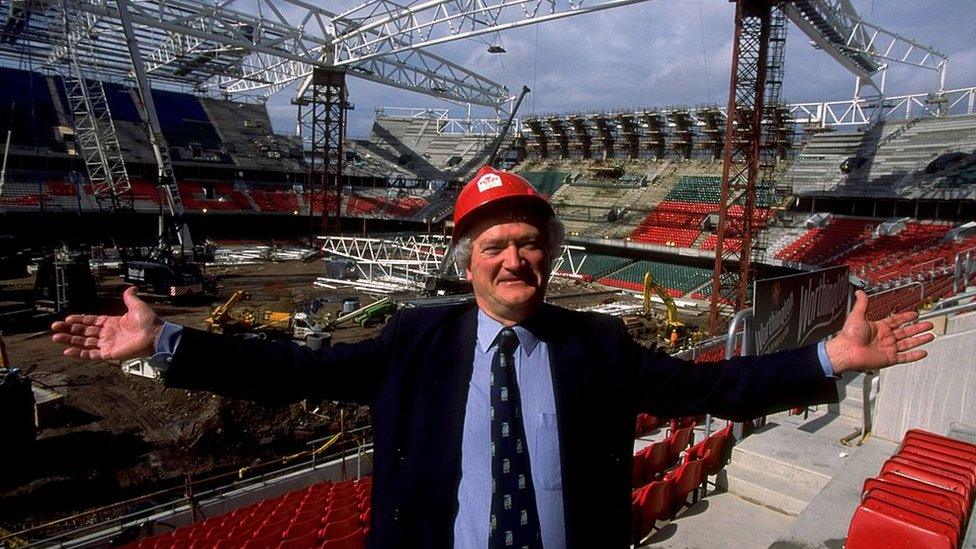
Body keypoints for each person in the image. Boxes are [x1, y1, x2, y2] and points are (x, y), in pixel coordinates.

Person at [51, 166, 934, 549]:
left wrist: (829, 356)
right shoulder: (414, 340)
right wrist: (167, 342)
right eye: (495, 245)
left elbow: (715, 384)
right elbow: (296, 373)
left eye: (530, 243)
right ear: (467, 259)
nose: (516, 259)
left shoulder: (599, 342)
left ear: (549, 253)